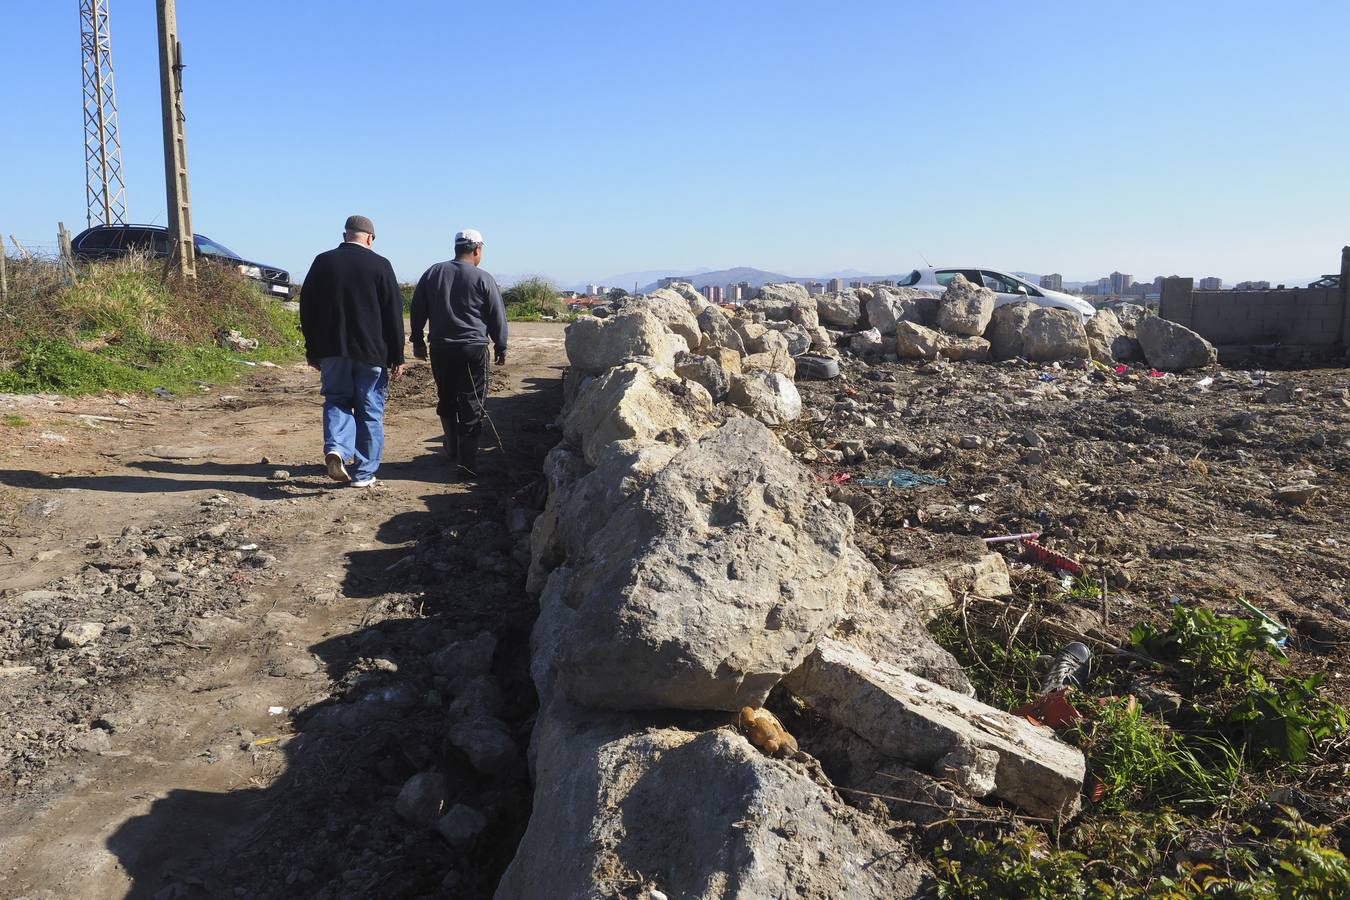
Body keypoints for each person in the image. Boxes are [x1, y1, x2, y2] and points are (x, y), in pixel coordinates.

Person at [299, 215, 405, 488]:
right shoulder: (381, 265)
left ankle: (336, 448)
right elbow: (393, 313)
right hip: (372, 352)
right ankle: (364, 474)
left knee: (337, 400)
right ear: (370, 238)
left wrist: (312, 349)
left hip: (333, 351)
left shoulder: (323, 262)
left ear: (345, 235)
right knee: (369, 410)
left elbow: (307, 307)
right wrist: (397, 355)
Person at [409, 228, 507, 477]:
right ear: (477, 250)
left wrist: (418, 340)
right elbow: (497, 316)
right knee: (472, 402)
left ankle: (451, 447)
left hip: (441, 347)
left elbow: (418, 309)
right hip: (472, 348)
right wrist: (501, 346)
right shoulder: (483, 278)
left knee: (447, 396)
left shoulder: (433, 273)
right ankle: (467, 463)